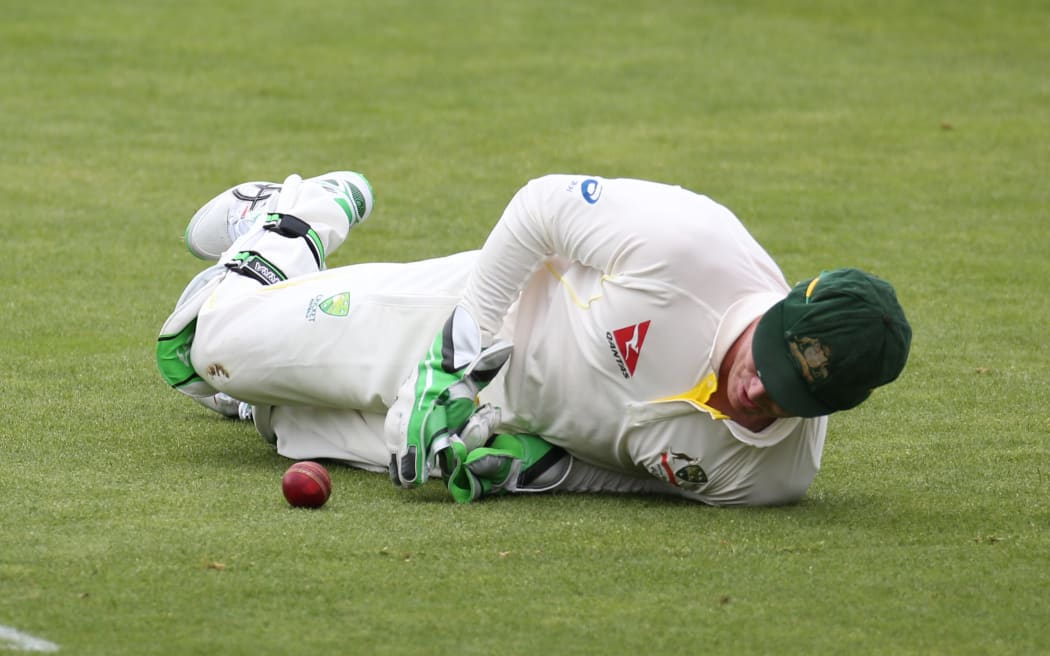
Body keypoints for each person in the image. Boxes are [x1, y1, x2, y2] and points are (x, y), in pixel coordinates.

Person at [157, 170, 911, 506]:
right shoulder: (689, 248)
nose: (754, 391)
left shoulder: (772, 481)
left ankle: (262, 402)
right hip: (450, 322)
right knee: (197, 351)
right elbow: (540, 205)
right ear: (780, 306)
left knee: (267, 417)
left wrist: (535, 468)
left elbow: (642, 479)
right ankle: (295, 217)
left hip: (489, 424)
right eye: (766, 360)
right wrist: (454, 356)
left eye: (785, 397)